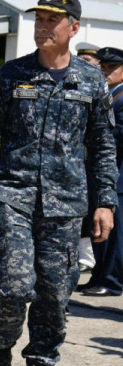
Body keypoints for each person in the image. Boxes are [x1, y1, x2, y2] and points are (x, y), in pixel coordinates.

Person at [0, 0, 118, 366]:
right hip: (14, 195)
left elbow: (102, 147)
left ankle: (42, 359)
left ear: (73, 27)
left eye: (52, 20)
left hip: (66, 205)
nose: (43, 26)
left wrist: (105, 203)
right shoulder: (12, 74)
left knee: (54, 295)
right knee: (15, 286)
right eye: (39, 19)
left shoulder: (91, 81)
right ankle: (0, 347)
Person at [75, 46, 123, 297]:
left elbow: (118, 135)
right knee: (98, 231)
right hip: (99, 175)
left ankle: (112, 280)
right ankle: (99, 276)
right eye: (103, 67)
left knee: (114, 235)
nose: (106, 72)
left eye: (112, 68)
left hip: (117, 176)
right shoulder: (109, 94)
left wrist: (93, 134)